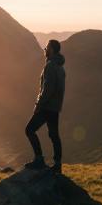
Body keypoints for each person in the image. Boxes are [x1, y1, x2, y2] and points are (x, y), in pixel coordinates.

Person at [24, 39, 66, 172]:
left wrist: (38, 104)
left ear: (51, 50)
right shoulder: (60, 67)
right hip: (55, 107)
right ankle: (57, 164)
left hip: (46, 106)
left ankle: (39, 159)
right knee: (54, 135)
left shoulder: (50, 66)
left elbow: (47, 89)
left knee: (29, 130)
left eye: (46, 47)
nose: (45, 50)